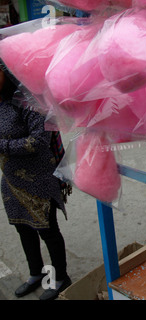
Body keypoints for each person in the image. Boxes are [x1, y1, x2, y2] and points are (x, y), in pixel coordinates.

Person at [0, 67, 71, 300]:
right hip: (11, 180)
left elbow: (38, 141)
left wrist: (4, 146)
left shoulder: (30, 102)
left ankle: (61, 277)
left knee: (47, 231)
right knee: (23, 228)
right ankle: (36, 273)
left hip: (39, 179)